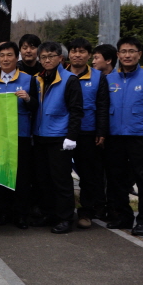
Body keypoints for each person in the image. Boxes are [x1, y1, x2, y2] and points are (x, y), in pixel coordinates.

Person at [105, 37, 143, 236]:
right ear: (118, 55)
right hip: (115, 137)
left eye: (132, 51)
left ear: (139, 54)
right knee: (117, 180)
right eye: (123, 51)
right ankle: (123, 216)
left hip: (142, 136)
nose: (127, 55)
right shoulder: (110, 79)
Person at [0, 42, 38, 228]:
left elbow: (36, 107)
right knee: (0, 174)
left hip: (20, 134)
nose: (5, 59)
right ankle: (1, 212)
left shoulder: (28, 79)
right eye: (2, 55)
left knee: (21, 176)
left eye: (10, 55)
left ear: (17, 58)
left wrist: (28, 99)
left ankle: (21, 215)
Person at [31, 41, 84, 234]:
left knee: (61, 180)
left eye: (50, 56)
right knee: (43, 180)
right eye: (43, 57)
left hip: (60, 137)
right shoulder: (37, 78)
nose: (46, 60)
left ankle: (65, 218)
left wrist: (71, 136)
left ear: (60, 58)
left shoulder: (70, 80)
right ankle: (49, 214)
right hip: (40, 136)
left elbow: (76, 111)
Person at [66, 38, 109, 229]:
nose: (77, 55)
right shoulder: (61, 74)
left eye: (82, 52)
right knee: (61, 174)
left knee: (88, 175)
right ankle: (64, 211)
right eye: (74, 51)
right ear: (68, 54)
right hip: (63, 132)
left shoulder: (98, 77)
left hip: (88, 132)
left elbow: (102, 105)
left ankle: (86, 212)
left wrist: (101, 131)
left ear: (89, 55)